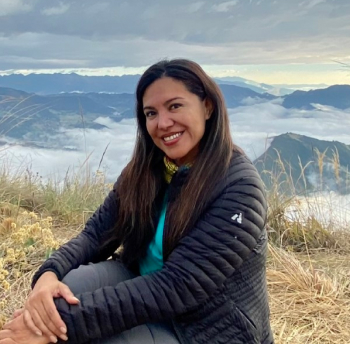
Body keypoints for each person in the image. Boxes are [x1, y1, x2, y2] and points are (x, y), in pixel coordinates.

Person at [0, 59, 274, 344]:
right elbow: (95, 235)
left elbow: (177, 287)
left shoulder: (239, 188)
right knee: (70, 286)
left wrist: (54, 328)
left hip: (206, 327)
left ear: (207, 107)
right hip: (142, 287)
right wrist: (48, 274)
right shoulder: (148, 170)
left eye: (175, 106)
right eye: (151, 113)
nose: (163, 122)